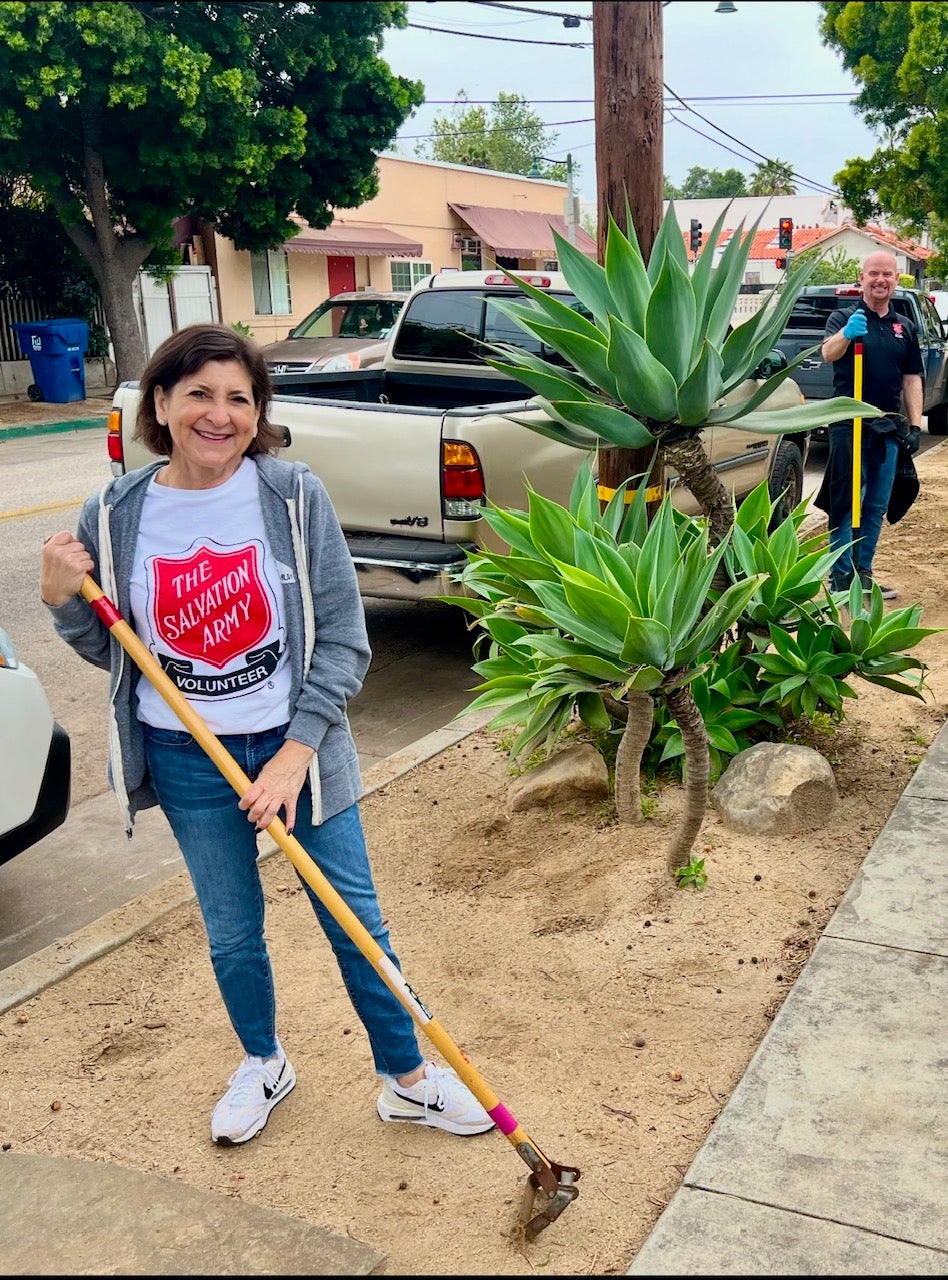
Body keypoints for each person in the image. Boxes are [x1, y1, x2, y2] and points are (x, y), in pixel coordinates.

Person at [39, 323, 494, 1147]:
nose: (220, 415)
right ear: (161, 404)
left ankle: (407, 1079)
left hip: (298, 751)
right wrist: (61, 599)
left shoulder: (291, 496)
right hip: (185, 756)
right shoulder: (116, 512)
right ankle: (263, 1062)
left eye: (239, 399)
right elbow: (116, 653)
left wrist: (293, 754)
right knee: (232, 932)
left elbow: (345, 641)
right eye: (199, 395)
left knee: (354, 921)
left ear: (258, 413)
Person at [814, 250, 924, 600]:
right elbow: (827, 353)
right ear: (862, 278)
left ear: (896, 280)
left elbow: (912, 379)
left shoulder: (904, 328)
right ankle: (840, 577)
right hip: (849, 422)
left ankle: (863, 572)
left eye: (887, 274)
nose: (880, 280)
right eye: (874, 273)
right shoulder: (843, 317)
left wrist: (915, 426)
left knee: (876, 504)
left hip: (887, 426)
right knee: (848, 501)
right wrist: (847, 334)